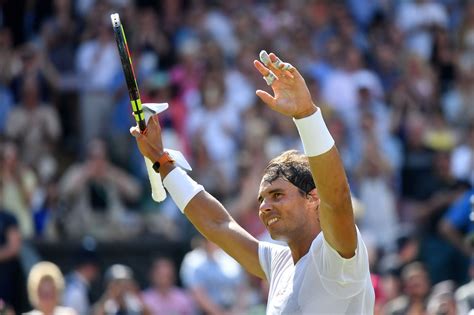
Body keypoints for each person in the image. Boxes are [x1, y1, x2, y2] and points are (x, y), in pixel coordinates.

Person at [130, 51, 374, 314]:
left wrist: (307, 114)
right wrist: (160, 159)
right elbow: (218, 224)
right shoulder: (279, 262)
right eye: (262, 199)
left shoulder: (336, 257)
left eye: (277, 195)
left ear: (313, 198)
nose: (265, 206)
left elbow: (337, 198)